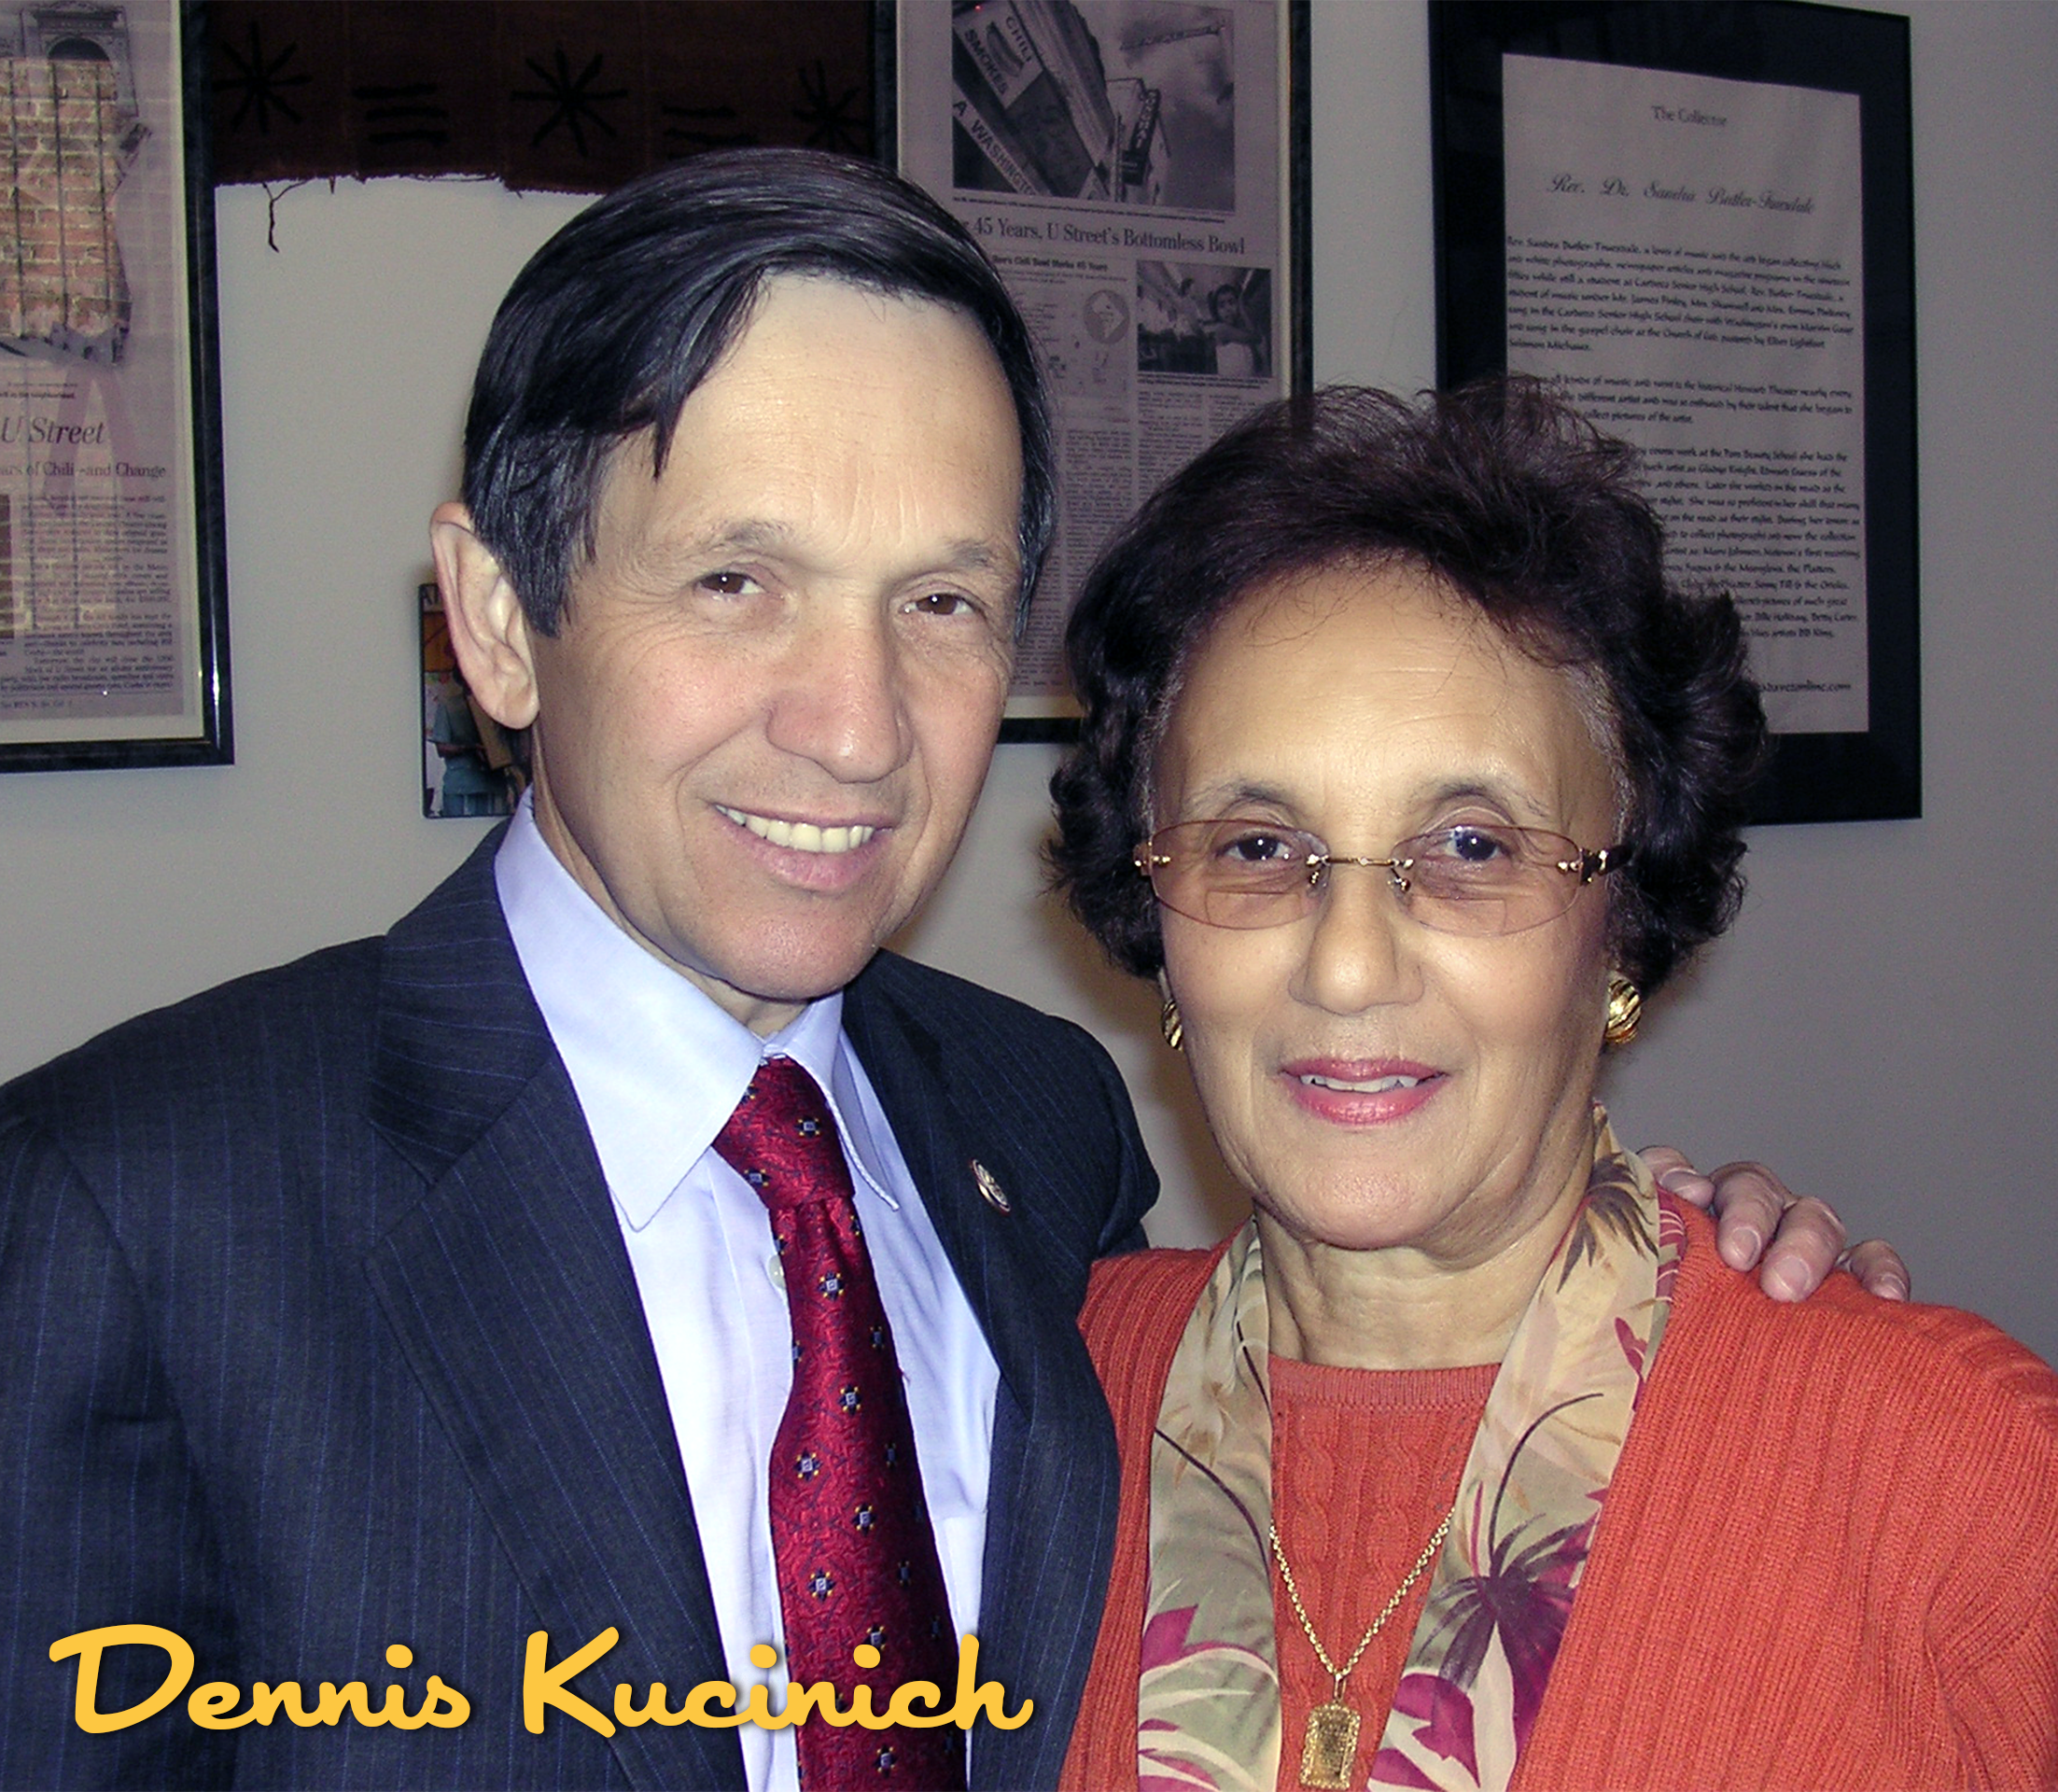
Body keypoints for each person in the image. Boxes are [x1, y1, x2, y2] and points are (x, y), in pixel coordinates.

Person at [0, 154, 1883, 1792]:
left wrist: (1668, 1261)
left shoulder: (1034, 1129)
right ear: (501, 621)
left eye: (942, 603)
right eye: (738, 582)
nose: (853, 728)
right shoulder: (134, 1215)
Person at [1049, 379, 2058, 1791]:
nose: (1347, 968)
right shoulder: (1021, 1396)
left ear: (1622, 927)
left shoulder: (1959, 1480)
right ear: (1161, 919)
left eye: (1470, 848)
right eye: (1259, 847)